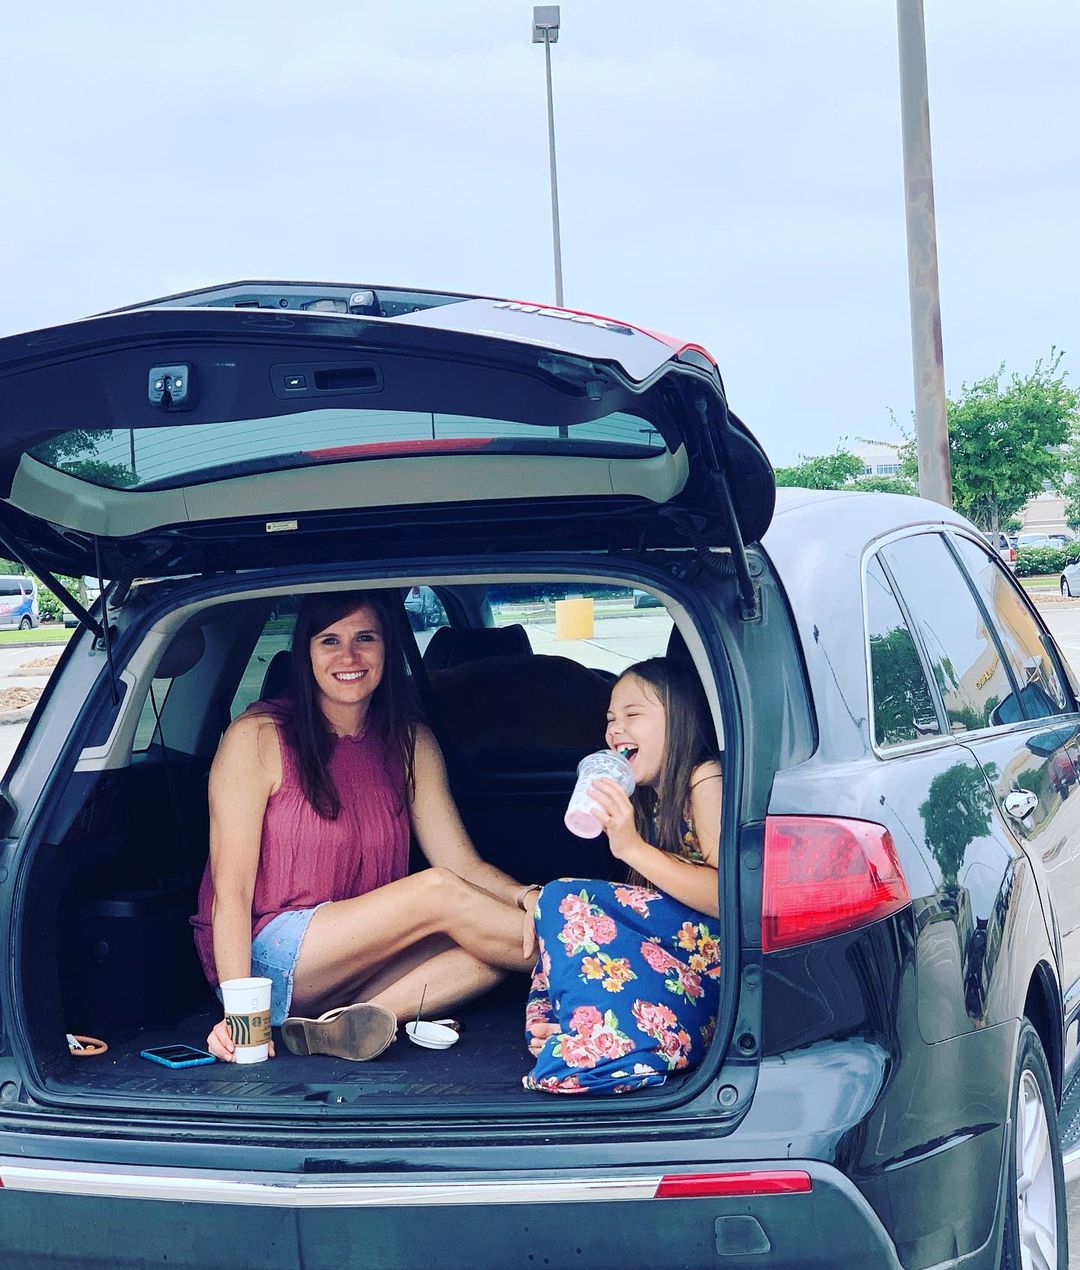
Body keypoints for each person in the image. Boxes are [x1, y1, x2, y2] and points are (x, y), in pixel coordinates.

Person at [191, 589, 540, 1062]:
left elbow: (462, 863)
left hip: (358, 964)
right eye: (329, 641)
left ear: (386, 648)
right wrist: (241, 1014)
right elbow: (230, 893)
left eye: (365, 638)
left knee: (491, 949)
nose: (349, 657)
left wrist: (527, 897)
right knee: (438, 891)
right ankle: (598, 957)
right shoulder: (257, 738)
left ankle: (347, 1023)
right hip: (264, 960)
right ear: (305, 654)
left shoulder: (409, 741)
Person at [523, 657, 723, 1095]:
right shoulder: (650, 799)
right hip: (677, 966)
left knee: (564, 899)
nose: (616, 730)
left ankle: (595, 1048)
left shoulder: (704, 779)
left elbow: (725, 897)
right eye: (611, 719)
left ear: (682, 719)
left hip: (712, 968)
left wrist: (631, 847)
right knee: (555, 925)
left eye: (633, 715)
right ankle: (579, 1032)